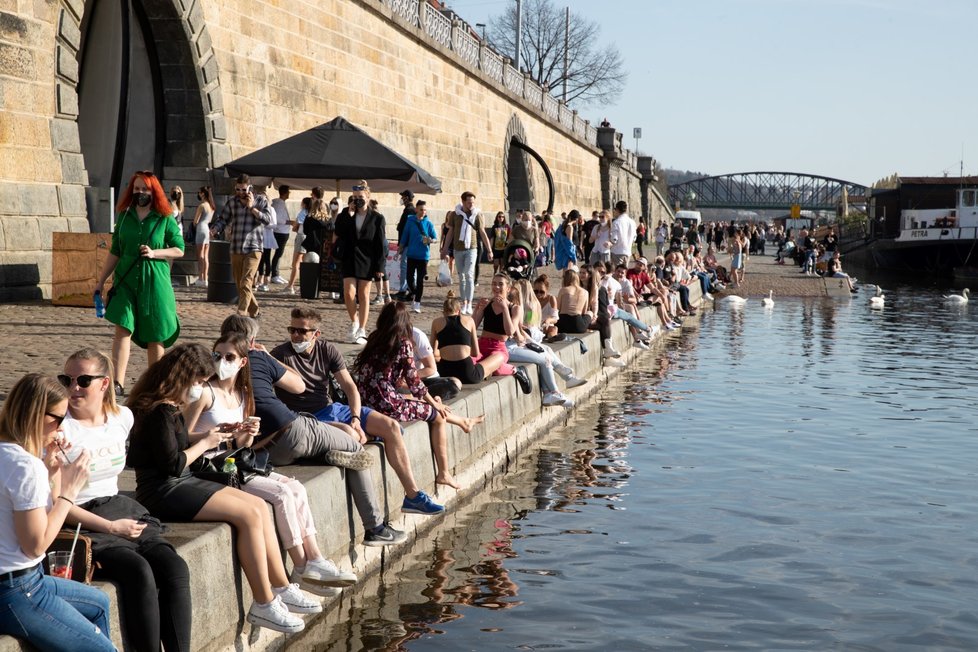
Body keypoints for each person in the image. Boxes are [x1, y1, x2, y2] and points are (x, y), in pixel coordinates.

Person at [125, 344, 319, 634]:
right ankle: (263, 602)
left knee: (256, 507)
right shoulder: (159, 410)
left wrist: (215, 435)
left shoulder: (168, 406)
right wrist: (205, 443)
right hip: (162, 490)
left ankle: (280, 586)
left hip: (179, 481)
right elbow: (172, 464)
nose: (201, 387)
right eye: (200, 381)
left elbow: (174, 444)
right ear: (184, 376)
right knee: (248, 515)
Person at [183, 334, 357, 596]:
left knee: (296, 488)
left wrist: (248, 432)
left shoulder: (242, 394)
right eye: (217, 356)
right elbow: (183, 435)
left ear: (243, 362)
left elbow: (242, 442)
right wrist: (213, 435)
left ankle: (315, 558)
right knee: (281, 494)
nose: (222, 362)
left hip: (235, 461)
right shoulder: (205, 393)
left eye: (229, 357)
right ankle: (301, 566)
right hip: (211, 467)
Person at [219, 315, 408, 547]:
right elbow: (298, 386)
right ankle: (375, 528)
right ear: (252, 340)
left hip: (260, 450)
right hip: (290, 429)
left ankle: (324, 454)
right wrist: (269, 357)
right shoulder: (257, 357)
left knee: (338, 430)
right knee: (354, 446)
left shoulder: (215, 363)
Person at [59, 348, 192, 651]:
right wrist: (110, 527)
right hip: (81, 520)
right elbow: (56, 502)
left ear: (104, 384)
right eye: (66, 379)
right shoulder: (60, 427)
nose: (73, 387)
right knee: (138, 571)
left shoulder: (122, 417)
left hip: (121, 509)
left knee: (174, 567)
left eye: (82, 380)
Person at [270, 307, 445, 514]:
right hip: (306, 419)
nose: (296, 336)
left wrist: (355, 416)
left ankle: (413, 496)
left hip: (331, 408)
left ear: (316, 334)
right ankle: (350, 442)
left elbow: (350, 387)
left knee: (391, 427)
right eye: (292, 330)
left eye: (302, 331)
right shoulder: (279, 355)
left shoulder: (327, 349)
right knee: (352, 435)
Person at [0, 373, 116, 651]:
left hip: (26, 580)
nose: (62, 429)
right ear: (36, 414)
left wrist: (51, 471)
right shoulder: (24, 466)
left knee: (98, 603)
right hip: (16, 589)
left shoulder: (19, 458)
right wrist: (70, 490)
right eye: (59, 419)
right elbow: (35, 544)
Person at [353, 302, 485, 491]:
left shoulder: (375, 338)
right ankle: (444, 473)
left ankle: (464, 422)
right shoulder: (404, 343)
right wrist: (434, 404)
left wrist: (429, 401)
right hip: (387, 403)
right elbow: (414, 382)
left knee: (423, 404)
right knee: (437, 416)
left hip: (369, 399)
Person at [95, 170, 185, 397]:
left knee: (155, 334)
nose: (140, 192)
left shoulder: (165, 218)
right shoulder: (124, 217)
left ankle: (156, 384)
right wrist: (101, 281)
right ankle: (117, 382)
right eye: (136, 189)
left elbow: (179, 249)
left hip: (155, 282)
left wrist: (155, 252)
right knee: (122, 329)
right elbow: (116, 252)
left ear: (153, 191)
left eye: (145, 189)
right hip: (126, 281)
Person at [508, 279, 585, 407]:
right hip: (510, 347)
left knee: (545, 351)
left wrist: (528, 340)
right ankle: (554, 390)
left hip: (519, 342)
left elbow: (520, 330)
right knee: (545, 357)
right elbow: (516, 332)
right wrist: (524, 339)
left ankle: (551, 391)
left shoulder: (517, 307)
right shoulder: (514, 308)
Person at [210, 174, 273, 319]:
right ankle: (255, 310)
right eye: (237, 190)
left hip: (254, 247)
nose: (240, 193)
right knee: (240, 285)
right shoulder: (232, 202)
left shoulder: (261, 201)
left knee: (246, 281)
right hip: (236, 247)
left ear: (249, 188)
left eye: (243, 190)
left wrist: (252, 208)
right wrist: (215, 229)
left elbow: (268, 220)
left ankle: (241, 314)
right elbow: (223, 219)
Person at [334, 180, 386, 344]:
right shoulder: (346, 213)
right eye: (355, 197)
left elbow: (380, 243)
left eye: (360, 197)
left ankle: (362, 329)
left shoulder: (377, 218)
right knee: (349, 293)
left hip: (367, 259)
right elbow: (338, 232)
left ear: (368, 197)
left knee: (363, 295)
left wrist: (380, 266)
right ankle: (354, 321)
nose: (357, 200)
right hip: (349, 258)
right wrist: (348, 216)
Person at [431, 290, 509, 384]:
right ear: (459, 311)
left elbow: (432, 352)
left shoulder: (436, 322)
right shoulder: (469, 321)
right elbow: (475, 353)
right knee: (498, 357)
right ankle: (505, 371)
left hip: (445, 372)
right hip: (467, 373)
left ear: (443, 312)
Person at [441, 191, 493, 316]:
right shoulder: (455, 214)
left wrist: (489, 250)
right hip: (458, 249)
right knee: (462, 277)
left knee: (469, 275)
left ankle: (468, 303)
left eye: (473, 202)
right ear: (463, 201)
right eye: (469, 202)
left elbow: (482, 232)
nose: (471, 204)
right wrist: (444, 248)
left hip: (472, 248)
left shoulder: (477, 214)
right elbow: (450, 232)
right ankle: (464, 302)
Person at [398, 200, 438, 313]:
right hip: (411, 254)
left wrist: (430, 240)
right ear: (416, 209)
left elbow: (435, 238)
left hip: (423, 256)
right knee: (410, 279)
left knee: (420, 280)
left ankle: (417, 303)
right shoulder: (410, 221)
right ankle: (415, 293)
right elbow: (405, 236)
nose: (423, 212)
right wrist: (400, 249)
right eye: (421, 209)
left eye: (425, 210)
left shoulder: (429, 223)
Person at [284, 196, 312, 295]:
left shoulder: (303, 212)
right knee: (305, 263)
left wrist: (293, 226)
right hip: (309, 237)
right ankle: (303, 285)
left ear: (304, 204)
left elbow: (297, 224)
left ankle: (290, 286)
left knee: (296, 263)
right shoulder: (312, 212)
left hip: (301, 236)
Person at [256, 188, 279, 292]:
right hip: (259, 236)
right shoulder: (257, 209)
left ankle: (266, 281)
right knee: (259, 259)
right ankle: (259, 279)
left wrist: (264, 224)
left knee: (267, 259)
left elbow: (274, 224)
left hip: (267, 236)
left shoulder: (271, 209)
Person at [394, 190, 415, 300]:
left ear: (406, 198)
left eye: (402, 196)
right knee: (407, 267)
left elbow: (407, 229)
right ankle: (409, 290)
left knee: (405, 267)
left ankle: (405, 290)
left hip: (407, 244)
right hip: (406, 243)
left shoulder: (410, 210)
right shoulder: (408, 210)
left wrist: (402, 245)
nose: (401, 199)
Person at [193, 186, 215, 288]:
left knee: (200, 254)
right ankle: (205, 278)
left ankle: (200, 277)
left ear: (202, 193)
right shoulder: (211, 206)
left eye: (199, 192)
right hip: (207, 229)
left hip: (201, 228)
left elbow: (195, 221)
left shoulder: (202, 206)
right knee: (206, 255)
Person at [269, 185, 292, 285]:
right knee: (278, 254)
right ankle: (274, 274)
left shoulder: (279, 203)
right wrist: (290, 222)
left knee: (279, 254)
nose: (289, 194)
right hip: (281, 232)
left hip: (282, 231)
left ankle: (276, 273)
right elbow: (278, 219)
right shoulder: (279, 204)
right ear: (285, 193)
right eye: (288, 192)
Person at [609, 200, 636, 268]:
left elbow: (614, 239)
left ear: (617, 209)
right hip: (628, 251)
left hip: (617, 251)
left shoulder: (616, 222)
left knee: (617, 273)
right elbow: (634, 238)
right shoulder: (632, 222)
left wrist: (609, 240)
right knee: (624, 273)